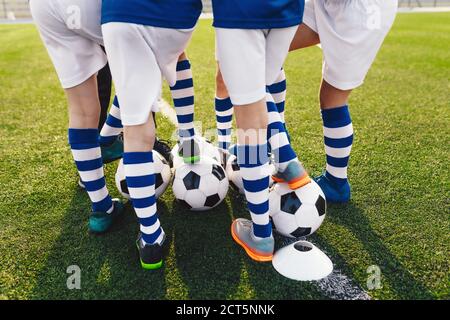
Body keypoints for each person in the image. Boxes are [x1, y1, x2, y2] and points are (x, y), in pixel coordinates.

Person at [101, 0, 203, 269]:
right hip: (178, 17)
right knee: (177, 55)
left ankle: (151, 238)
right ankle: (189, 137)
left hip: (123, 14)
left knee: (137, 130)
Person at [212, 0, 306, 262]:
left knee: (250, 115)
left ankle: (262, 235)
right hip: (287, 9)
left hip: (240, 10)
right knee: (260, 88)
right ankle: (287, 160)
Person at [29, 0, 125, 233]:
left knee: (82, 109)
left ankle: (102, 209)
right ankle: (108, 139)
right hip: (90, 5)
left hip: (45, 7)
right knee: (151, 64)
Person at [288, 0, 398, 202]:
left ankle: (336, 182)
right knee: (267, 44)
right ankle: (276, 149)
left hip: (361, 10)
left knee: (332, 98)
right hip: (329, 3)